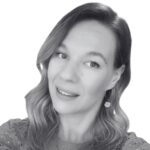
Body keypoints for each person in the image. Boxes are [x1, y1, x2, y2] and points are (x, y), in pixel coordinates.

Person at [0, 2, 150, 150]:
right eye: (61, 54)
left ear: (114, 77)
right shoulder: (13, 137)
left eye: (92, 63)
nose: (67, 75)